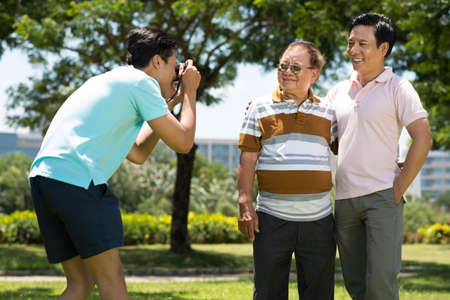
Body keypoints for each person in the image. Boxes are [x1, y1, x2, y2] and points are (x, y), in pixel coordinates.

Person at [28, 28, 201, 300]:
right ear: (157, 61)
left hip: (46, 178)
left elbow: (137, 153)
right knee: (112, 280)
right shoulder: (141, 83)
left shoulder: (113, 81)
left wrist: (167, 107)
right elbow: (183, 143)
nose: (175, 74)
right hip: (76, 181)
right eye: (173, 65)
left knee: (81, 284)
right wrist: (190, 91)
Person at [326, 13, 432, 300]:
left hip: (382, 197)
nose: (353, 51)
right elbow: (322, 135)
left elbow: (423, 137)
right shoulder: (337, 92)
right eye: (350, 43)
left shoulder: (399, 87)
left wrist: (398, 188)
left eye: (362, 43)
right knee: (355, 284)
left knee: (380, 284)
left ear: (383, 48)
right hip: (345, 199)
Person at [237, 41, 338, 300]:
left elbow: (347, 151)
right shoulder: (259, 107)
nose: (287, 71)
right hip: (271, 219)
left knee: (319, 295)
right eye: (283, 65)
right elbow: (247, 159)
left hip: (319, 221)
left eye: (295, 67)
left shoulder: (329, 112)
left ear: (313, 74)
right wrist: (245, 203)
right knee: (268, 293)